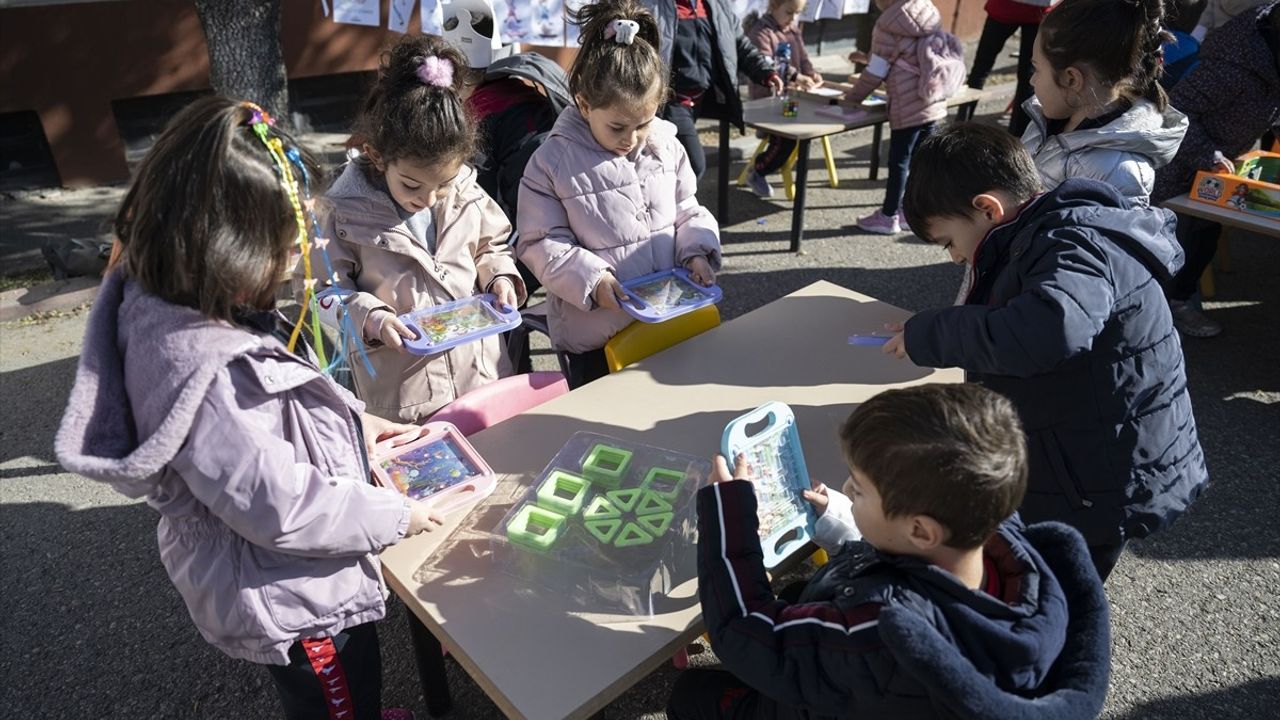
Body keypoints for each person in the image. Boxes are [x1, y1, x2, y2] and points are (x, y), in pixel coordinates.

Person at [55, 95, 445, 720]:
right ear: (224, 245)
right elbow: (278, 504)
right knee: (335, 694)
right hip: (293, 594)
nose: (296, 264)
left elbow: (284, 388)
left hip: (294, 567)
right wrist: (394, 516)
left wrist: (355, 418)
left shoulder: (188, 299)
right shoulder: (202, 375)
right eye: (285, 247)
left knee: (354, 679)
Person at [668, 383, 1111, 720]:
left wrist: (729, 515)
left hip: (826, 699)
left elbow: (745, 630)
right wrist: (845, 517)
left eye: (858, 489)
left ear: (919, 529)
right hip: (882, 690)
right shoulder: (1003, 548)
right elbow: (907, 564)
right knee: (802, 588)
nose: (844, 488)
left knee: (687, 696)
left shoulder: (883, 633)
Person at [888, 124, 1208, 582]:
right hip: (1087, 456)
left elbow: (1047, 331)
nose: (955, 257)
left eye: (948, 242)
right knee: (1050, 585)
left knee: (1061, 595)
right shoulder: (1045, 232)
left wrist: (932, 334)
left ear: (986, 208)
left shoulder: (1075, 242)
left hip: (1098, 481)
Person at [302, 34, 526, 422]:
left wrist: (500, 277)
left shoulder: (464, 192)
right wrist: (371, 317)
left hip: (482, 379)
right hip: (407, 399)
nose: (429, 199)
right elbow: (323, 294)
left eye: (443, 183)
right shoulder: (341, 212)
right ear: (377, 156)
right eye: (412, 185)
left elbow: (491, 247)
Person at [517, 0, 722, 388]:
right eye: (617, 127)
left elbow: (686, 208)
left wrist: (696, 250)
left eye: (642, 124)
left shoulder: (665, 144)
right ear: (583, 103)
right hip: (594, 332)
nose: (630, 139)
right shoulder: (552, 161)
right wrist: (593, 282)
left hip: (666, 317)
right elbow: (539, 241)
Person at [1152, 0, 1280, 338]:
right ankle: (1169, 308)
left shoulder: (1269, 55)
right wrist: (1207, 154)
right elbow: (1172, 114)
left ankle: (1177, 300)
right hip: (1176, 172)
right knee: (1179, 246)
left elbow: (1272, 108)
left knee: (1203, 241)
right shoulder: (1232, 67)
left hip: (1213, 175)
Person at [1022, 0, 1188, 206]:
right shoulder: (1042, 121)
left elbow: (1099, 238)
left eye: (1036, 69)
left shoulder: (1118, 173)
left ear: (1072, 79)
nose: (1032, 80)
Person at [641, 0, 783, 180]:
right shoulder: (650, 5)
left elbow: (739, 43)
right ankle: (669, 207)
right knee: (693, 166)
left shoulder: (717, 4)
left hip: (703, 98)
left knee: (670, 167)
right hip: (670, 102)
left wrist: (765, 72)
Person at [841, 0, 949, 235]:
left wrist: (852, 98)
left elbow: (877, 71)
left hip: (907, 105)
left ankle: (888, 216)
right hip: (932, 100)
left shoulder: (887, 23)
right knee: (920, 164)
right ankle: (910, 214)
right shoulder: (927, 11)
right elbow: (905, 53)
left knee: (899, 163)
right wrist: (867, 56)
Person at [742, 0, 824, 198]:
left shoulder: (793, 30)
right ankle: (759, 170)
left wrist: (812, 73)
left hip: (793, 98)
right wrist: (796, 76)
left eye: (797, 13)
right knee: (787, 138)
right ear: (773, 6)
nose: (793, 18)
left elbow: (803, 57)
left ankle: (769, 162)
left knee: (808, 126)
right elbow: (767, 64)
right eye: (789, 12)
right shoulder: (761, 32)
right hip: (768, 100)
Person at [965, 0, 1052, 136]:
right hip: (1036, 11)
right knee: (1028, 76)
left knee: (981, 67)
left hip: (1008, 7)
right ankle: (1017, 137)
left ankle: (962, 124)